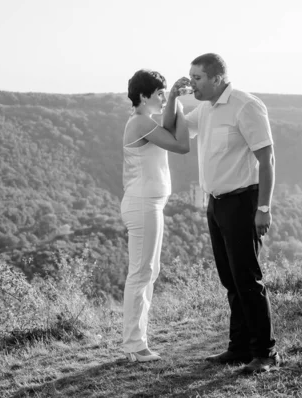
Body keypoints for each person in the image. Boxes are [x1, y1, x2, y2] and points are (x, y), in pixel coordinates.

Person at [182, 53, 281, 374]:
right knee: (230, 280)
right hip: (216, 203)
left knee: (248, 280)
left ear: (216, 78)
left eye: (197, 78)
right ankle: (238, 349)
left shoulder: (245, 105)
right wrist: (171, 97)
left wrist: (264, 208)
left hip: (243, 202)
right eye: (191, 78)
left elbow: (267, 160)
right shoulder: (206, 109)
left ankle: (265, 354)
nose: (192, 84)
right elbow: (175, 126)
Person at [121, 69, 190, 362]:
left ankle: (138, 341)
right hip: (142, 204)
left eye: (164, 93)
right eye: (159, 94)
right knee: (141, 273)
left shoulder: (145, 122)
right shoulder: (139, 122)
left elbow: (169, 127)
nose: (162, 99)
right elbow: (181, 144)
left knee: (150, 271)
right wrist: (180, 106)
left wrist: (173, 99)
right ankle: (135, 345)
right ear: (143, 96)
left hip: (149, 204)